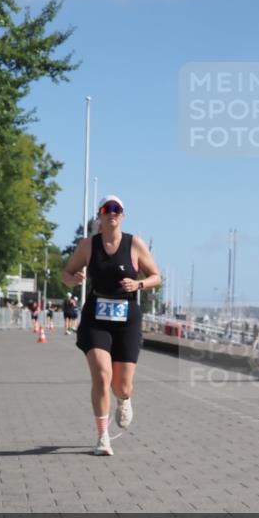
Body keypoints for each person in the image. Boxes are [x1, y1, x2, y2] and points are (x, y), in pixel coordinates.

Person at [61, 195, 161, 456]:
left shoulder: (134, 244)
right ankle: (103, 437)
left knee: (122, 385)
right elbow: (66, 273)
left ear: (123, 216)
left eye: (117, 209)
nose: (112, 213)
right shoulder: (88, 246)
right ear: (100, 216)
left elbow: (156, 276)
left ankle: (124, 400)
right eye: (107, 209)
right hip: (96, 318)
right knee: (102, 375)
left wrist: (138, 284)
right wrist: (74, 280)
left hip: (126, 319)